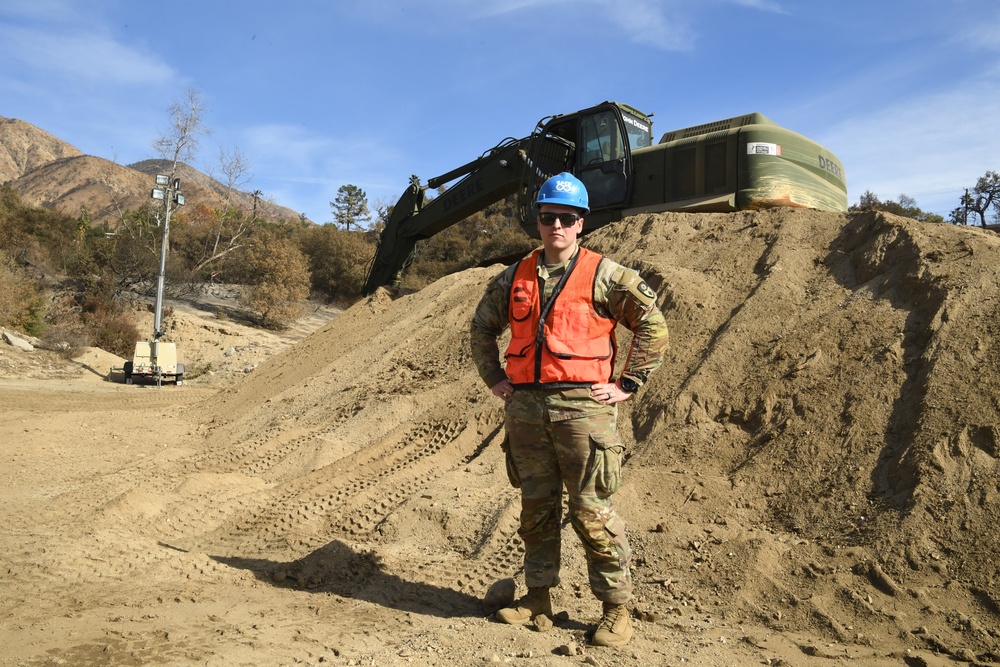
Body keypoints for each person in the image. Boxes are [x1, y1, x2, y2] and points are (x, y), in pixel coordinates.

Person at [470, 172, 669, 648]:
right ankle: (538, 597)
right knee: (535, 508)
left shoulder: (607, 275)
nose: (555, 225)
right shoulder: (513, 276)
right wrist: (495, 378)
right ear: (537, 221)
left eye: (566, 218)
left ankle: (616, 609)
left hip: (585, 411)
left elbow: (653, 325)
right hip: (526, 411)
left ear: (581, 223)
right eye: (547, 217)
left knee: (591, 511)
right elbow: (481, 328)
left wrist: (628, 383)